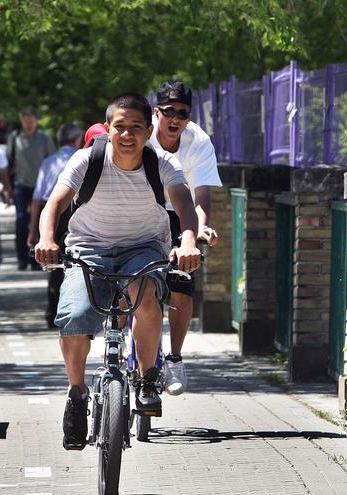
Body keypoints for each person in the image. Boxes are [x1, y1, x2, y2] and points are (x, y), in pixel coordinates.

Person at [33, 93, 201, 451]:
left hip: (143, 248)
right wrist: (48, 237)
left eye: (136, 128)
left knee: (145, 293)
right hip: (89, 248)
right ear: (108, 129)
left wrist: (187, 242)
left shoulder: (163, 163)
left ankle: (147, 379)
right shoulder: (86, 160)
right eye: (120, 127)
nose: (127, 135)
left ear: (149, 129)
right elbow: (55, 204)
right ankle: (77, 395)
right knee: (75, 315)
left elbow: (185, 206)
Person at [148, 81, 222, 396]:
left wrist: (201, 228)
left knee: (182, 284)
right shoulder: (143, 137)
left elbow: (202, 192)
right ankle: (126, 350)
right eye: (169, 112)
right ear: (156, 113)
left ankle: (174, 359)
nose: (175, 119)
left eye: (183, 113)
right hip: (143, 213)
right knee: (135, 285)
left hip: (183, 215)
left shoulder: (199, 141)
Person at [28, 123, 84, 328]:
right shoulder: (81, 160)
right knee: (77, 263)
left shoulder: (48, 162)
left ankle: (52, 312)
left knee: (53, 264)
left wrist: (34, 230)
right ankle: (73, 311)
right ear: (77, 140)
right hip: (73, 214)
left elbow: (36, 198)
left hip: (48, 214)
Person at [7, 106, 56, 271]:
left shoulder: (44, 138)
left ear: (36, 121)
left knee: (39, 222)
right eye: (25, 120)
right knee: (21, 220)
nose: (28, 124)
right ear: (22, 121)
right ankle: (21, 258)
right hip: (21, 185)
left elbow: (52, 163)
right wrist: (7, 187)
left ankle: (36, 259)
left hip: (40, 187)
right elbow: (9, 162)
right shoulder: (14, 138)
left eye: (31, 121)